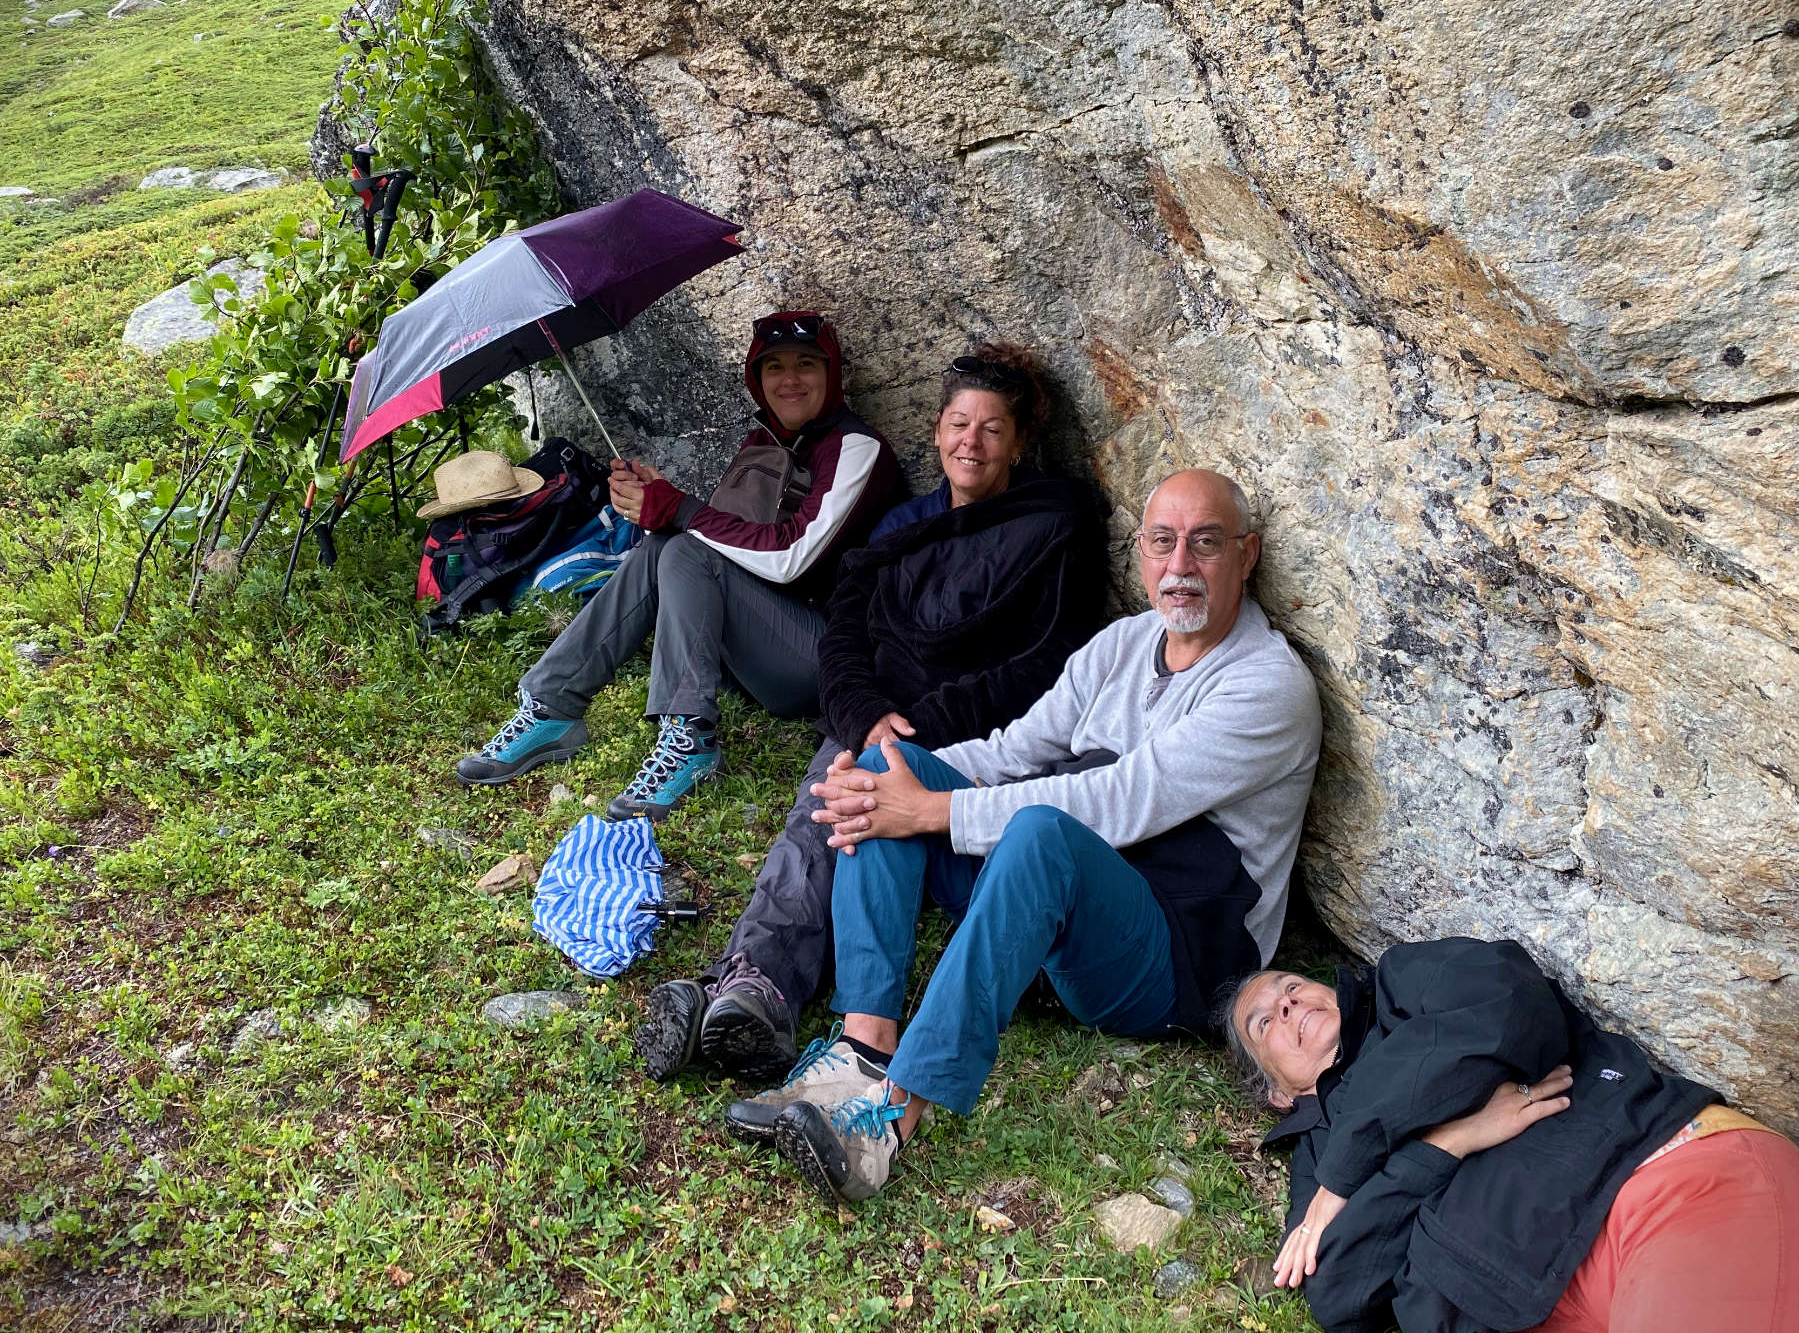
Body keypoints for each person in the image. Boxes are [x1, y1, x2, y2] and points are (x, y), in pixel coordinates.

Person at [742, 467, 1324, 1203]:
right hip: (1054, 891)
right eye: (1162, 542)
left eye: (1205, 544)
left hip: (1172, 948)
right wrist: (894, 785)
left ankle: (889, 1121)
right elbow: (1015, 751)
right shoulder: (1120, 646)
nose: (1179, 567)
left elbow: (1118, 800)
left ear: (1248, 554)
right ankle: (863, 1047)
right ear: (1138, 552)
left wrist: (932, 813)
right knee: (901, 767)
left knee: (1037, 833)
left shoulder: (1265, 686)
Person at [634, 343, 1109, 1089]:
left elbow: (1052, 657)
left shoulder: (1054, 523)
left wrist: (917, 722)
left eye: (991, 429)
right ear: (936, 430)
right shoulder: (902, 526)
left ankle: (754, 984)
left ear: (1020, 442)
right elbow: (846, 632)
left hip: (970, 733)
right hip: (879, 718)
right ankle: (746, 991)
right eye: (957, 423)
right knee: (833, 794)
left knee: (835, 803)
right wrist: (862, 713)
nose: (970, 443)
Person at [455, 312, 902, 822]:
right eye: (773, 367)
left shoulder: (857, 448)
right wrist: (653, 507)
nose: (790, 380)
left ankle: (689, 738)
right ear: (757, 380)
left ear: (833, 373)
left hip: (819, 658)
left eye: (806, 364)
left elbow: (791, 559)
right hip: (749, 648)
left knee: (685, 543)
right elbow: (716, 544)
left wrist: (680, 510)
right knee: (666, 545)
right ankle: (552, 706)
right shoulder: (764, 444)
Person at [1227, 937, 1799, 1333]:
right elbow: (1340, 1294)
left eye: (1292, 986)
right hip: (1530, 1308)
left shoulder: (1401, 990)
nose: (1287, 1003)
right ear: (1279, 1093)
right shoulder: (1317, 1163)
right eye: (1265, 1021)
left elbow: (1504, 1009)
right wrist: (1449, 1140)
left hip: (1656, 1190)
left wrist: (1355, 1168)